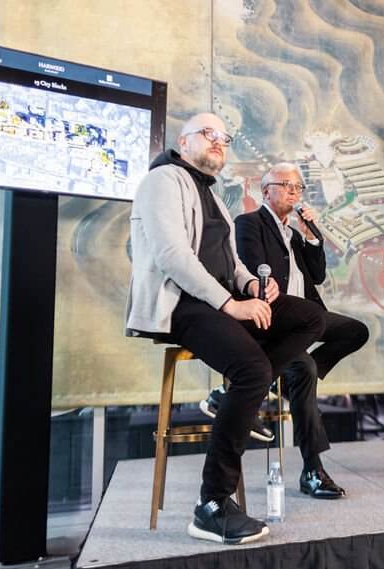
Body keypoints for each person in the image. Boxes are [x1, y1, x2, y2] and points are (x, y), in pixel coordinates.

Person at [126, 112, 325, 544]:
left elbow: (230, 261)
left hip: (218, 299)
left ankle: (240, 398)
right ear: (183, 141)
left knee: (311, 317)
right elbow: (172, 257)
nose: (219, 142)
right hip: (183, 304)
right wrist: (231, 304)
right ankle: (212, 504)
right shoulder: (163, 180)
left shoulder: (212, 195)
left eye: (225, 138)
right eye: (208, 134)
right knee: (252, 370)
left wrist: (251, 284)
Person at [228, 162, 369, 499]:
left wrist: (312, 238)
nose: (294, 191)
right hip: (271, 319)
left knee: (355, 331)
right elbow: (254, 271)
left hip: (306, 321)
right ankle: (313, 471)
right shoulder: (249, 223)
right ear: (266, 191)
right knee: (302, 369)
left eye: (298, 187)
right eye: (286, 185)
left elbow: (317, 276)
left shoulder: (295, 233)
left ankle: (289, 385)